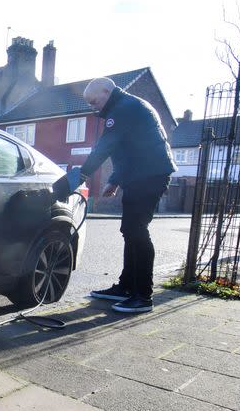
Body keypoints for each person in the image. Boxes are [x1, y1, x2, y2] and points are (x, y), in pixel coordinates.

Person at [76, 77, 177, 313]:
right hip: (141, 175)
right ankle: (126, 287)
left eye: (94, 101)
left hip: (149, 175)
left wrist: (81, 174)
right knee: (130, 230)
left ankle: (143, 296)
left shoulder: (124, 108)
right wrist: (114, 180)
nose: (93, 106)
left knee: (136, 230)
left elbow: (106, 146)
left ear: (106, 91)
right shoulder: (125, 107)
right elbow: (126, 150)